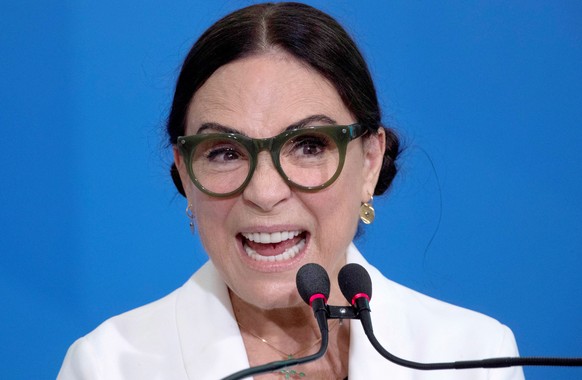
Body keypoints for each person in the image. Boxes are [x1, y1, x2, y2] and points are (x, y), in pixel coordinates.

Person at [58, 2, 524, 379]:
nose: (263, 191)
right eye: (224, 152)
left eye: (308, 145)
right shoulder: (109, 366)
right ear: (184, 173)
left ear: (370, 161)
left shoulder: (472, 358)